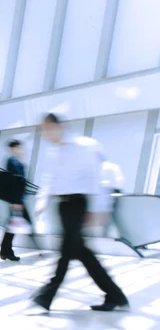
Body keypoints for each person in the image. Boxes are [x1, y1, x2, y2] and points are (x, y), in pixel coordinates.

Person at [31, 113, 129, 312]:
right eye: (43, 130)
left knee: (66, 251)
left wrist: (99, 208)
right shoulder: (54, 152)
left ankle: (46, 295)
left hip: (78, 204)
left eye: (48, 128)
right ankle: (115, 295)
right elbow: (49, 179)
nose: (46, 134)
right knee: (82, 253)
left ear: (59, 126)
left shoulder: (84, 146)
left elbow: (99, 177)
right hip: (63, 205)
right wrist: (41, 202)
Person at [0, 140, 37, 261]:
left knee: (13, 227)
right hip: (16, 201)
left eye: (19, 148)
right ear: (12, 149)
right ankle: (37, 249)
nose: (18, 150)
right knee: (16, 226)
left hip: (19, 200)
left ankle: (5, 251)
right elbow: (12, 183)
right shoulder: (11, 162)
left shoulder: (18, 162)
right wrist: (15, 201)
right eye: (16, 148)